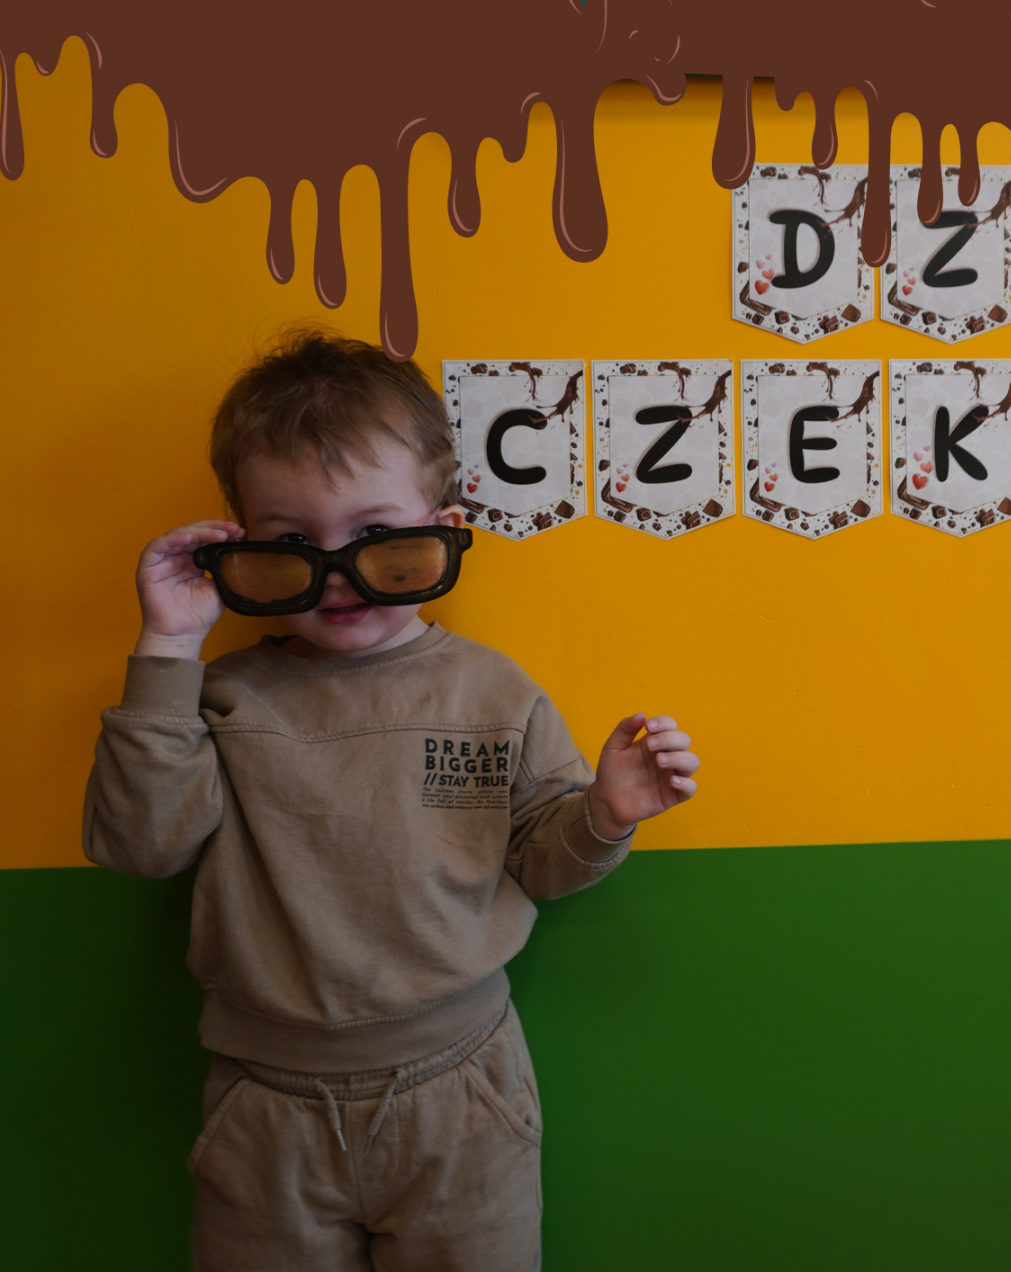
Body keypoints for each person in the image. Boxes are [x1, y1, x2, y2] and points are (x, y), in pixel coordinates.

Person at [82, 328, 698, 1271]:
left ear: (441, 529)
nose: (338, 576)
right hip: (265, 1103)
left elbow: (542, 863)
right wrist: (167, 647)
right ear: (239, 545)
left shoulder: (494, 692)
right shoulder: (220, 696)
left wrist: (604, 816)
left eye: (376, 537)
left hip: (461, 1089)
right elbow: (141, 845)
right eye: (294, 542)